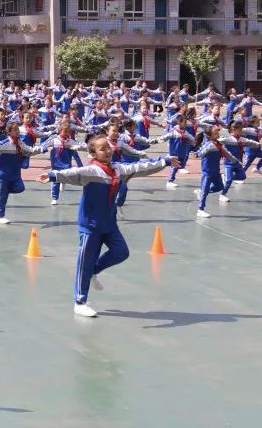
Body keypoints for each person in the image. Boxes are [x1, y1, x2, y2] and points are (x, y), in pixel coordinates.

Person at [40, 136, 178, 317]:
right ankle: (79, 301)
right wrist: (52, 175)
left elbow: (140, 167)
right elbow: (72, 173)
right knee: (84, 263)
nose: (107, 150)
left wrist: (165, 161)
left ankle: (94, 271)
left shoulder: (118, 170)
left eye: (108, 147)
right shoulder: (91, 171)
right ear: (93, 153)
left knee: (121, 252)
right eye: (102, 149)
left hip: (109, 224)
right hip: (90, 225)